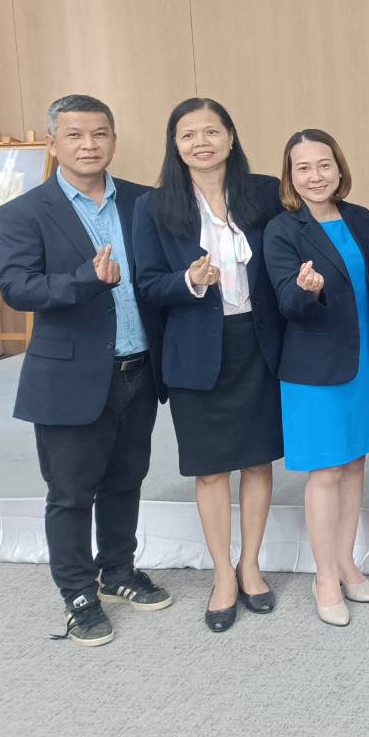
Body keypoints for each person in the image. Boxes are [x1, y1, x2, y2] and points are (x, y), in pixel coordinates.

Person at [0, 94, 171, 646]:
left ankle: (118, 571)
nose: (88, 145)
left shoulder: (143, 201)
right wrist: (85, 280)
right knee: (71, 493)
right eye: (74, 135)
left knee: (126, 480)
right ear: (52, 143)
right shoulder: (24, 212)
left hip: (139, 369)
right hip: (68, 378)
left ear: (114, 139)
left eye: (99, 134)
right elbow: (17, 287)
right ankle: (77, 594)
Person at [133, 98, 285, 633]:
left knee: (259, 462)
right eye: (189, 135)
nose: (202, 142)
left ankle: (251, 565)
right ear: (175, 145)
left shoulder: (265, 192)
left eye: (212, 132)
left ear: (230, 137)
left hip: (257, 344)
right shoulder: (154, 207)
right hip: (197, 352)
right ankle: (223, 574)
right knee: (211, 468)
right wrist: (190, 280)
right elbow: (149, 284)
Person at [263, 129, 369, 627]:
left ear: (339, 169)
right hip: (313, 369)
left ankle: (346, 561)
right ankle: (324, 576)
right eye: (303, 168)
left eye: (323, 165)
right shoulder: (282, 229)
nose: (315, 176)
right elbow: (286, 303)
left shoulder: (360, 218)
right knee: (326, 471)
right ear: (290, 176)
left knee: (355, 464)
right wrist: (306, 290)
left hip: (361, 361)